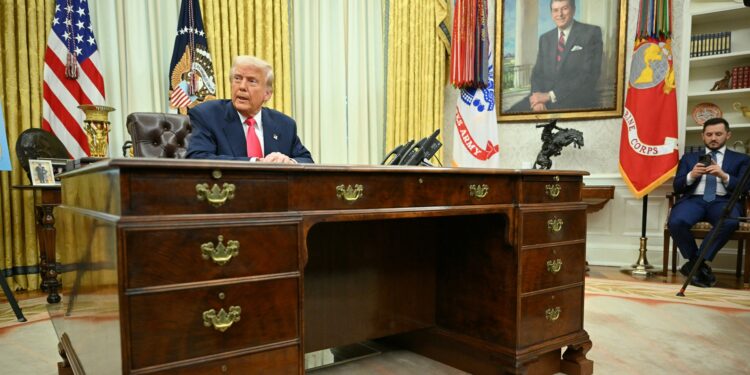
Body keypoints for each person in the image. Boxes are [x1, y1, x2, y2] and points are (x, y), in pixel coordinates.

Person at [668, 118, 750, 288]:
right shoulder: (689, 158)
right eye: (709, 134)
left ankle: (694, 264)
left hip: (723, 201)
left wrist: (723, 175)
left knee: (729, 221)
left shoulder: (741, 159)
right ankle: (699, 266)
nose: (713, 138)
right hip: (693, 201)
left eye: (718, 134)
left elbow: (745, 188)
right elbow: (677, 186)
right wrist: (691, 175)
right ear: (702, 136)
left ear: (728, 135)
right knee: (676, 222)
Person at [186, 55, 313, 163]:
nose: (242, 87)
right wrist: (255, 162)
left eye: (252, 81)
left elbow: (307, 161)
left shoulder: (284, 124)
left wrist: (289, 162)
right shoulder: (207, 115)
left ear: (267, 94)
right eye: (237, 78)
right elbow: (198, 158)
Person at [508, 0, 603, 112]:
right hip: (543, 99)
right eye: (555, 10)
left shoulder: (591, 33)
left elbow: (589, 75)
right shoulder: (545, 39)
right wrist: (538, 99)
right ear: (551, 13)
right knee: (509, 114)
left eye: (564, 8)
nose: (560, 14)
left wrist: (550, 96)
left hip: (574, 100)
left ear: (573, 10)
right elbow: (537, 73)